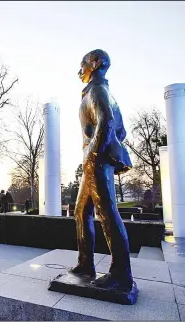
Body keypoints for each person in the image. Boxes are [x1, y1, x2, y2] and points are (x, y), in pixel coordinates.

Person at [70, 49, 134, 291]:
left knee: (106, 213)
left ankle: (121, 274)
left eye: (83, 64)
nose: (80, 69)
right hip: (92, 160)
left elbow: (107, 121)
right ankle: (86, 263)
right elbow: (122, 131)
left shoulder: (97, 91)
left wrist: (94, 154)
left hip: (96, 159)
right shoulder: (102, 91)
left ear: (95, 64)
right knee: (80, 211)